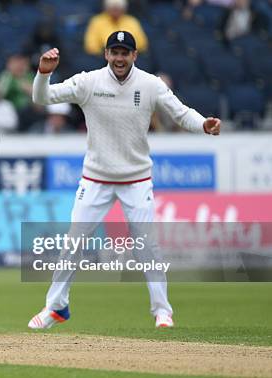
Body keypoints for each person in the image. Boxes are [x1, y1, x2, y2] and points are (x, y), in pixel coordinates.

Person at [28, 31, 221, 330]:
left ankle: (162, 311)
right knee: (73, 242)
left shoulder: (150, 84)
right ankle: (56, 307)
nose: (119, 58)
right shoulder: (88, 82)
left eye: (125, 53)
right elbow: (42, 97)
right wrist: (43, 73)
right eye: (114, 52)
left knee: (147, 246)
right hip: (96, 178)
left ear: (134, 56)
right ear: (106, 54)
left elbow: (182, 114)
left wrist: (203, 125)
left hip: (136, 178)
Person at [84, 0, 148, 55]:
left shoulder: (132, 21)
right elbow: (91, 45)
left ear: (124, 9)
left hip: (129, 54)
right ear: (107, 8)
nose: (115, 11)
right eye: (112, 8)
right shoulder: (97, 21)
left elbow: (142, 44)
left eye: (118, 8)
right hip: (102, 57)